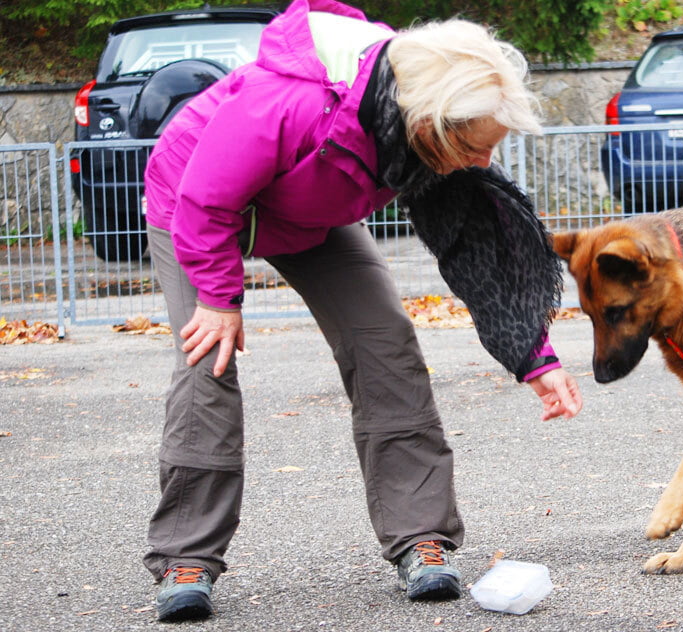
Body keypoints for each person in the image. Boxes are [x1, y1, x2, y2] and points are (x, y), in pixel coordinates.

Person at [141, 0, 582, 622]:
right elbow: (206, 201)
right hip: (195, 208)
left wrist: (534, 356)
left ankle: (420, 538)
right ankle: (186, 556)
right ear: (432, 124)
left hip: (306, 219)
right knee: (206, 361)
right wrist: (218, 299)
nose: (484, 162)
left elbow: (483, 247)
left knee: (386, 342)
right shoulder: (289, 100)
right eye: (477, 147)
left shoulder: (430, 128)